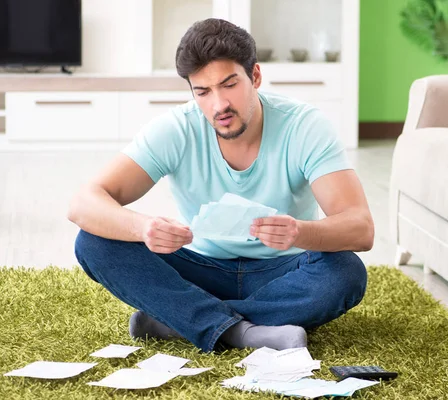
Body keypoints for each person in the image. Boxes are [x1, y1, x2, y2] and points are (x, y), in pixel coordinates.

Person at [68, 18, 374, 353]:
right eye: (203, 92)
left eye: (229, 85)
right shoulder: (176, 129)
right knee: (94, 241)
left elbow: (359, 227)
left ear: (255, 76)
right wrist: (144, 227)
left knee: (345, 271)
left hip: (284, 271)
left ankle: (184, 320)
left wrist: (300, 232)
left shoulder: (305, 126)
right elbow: (83, 203)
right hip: (201, 269)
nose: (219, 105)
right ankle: (245, 331)